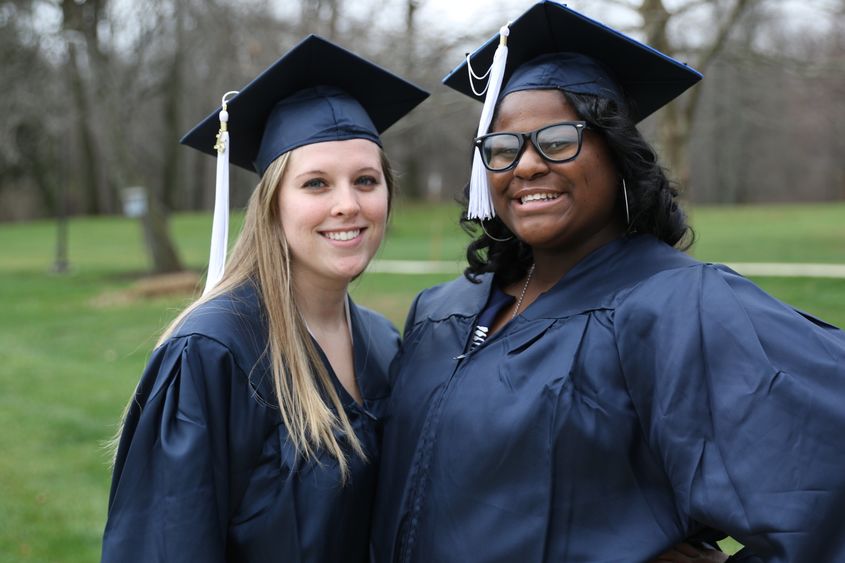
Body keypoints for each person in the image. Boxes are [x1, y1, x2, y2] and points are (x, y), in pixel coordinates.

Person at [371, 2, 845, 562]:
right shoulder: (439, 311)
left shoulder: (678, 307)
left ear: (618, 154)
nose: (525, 166)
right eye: (502, 149)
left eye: (557, 141)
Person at [101, 36, 427, 562]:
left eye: (366, 180)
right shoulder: (213, 352)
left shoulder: (384, 343)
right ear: (273, 205)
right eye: (316, 184)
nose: (348, 204)